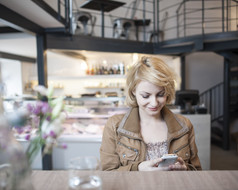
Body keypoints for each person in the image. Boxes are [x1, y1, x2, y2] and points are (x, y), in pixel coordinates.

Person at [100, 56, 202, 171]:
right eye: (145, 96)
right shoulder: (114, 126)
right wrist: (137, 169)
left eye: (160, 94)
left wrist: (185, 169)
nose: (154, 103)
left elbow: (197, 171)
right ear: (133, 91)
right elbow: (108, 174)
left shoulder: (185, 125)